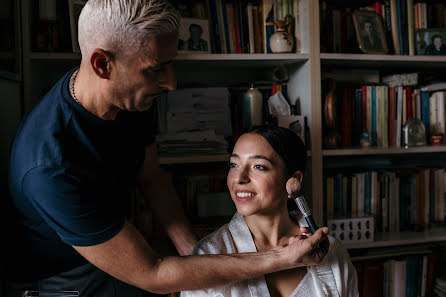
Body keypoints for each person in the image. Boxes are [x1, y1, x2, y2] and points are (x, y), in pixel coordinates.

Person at [5, 1, 329, 296]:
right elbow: (152, 273)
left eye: (171, 64)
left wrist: (194, 251)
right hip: (68, 278)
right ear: (102, 64)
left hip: (125, 241)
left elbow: (150, 175)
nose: (171, 82)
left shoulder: (130, 99)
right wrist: (277, 259)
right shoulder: (49, 166)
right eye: (155, 69)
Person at [182, 126, 358, 297]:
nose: (239, 178)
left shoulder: (333, 253)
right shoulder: (209, 253)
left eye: (258, 166)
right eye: (234, 164)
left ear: (293, 180)